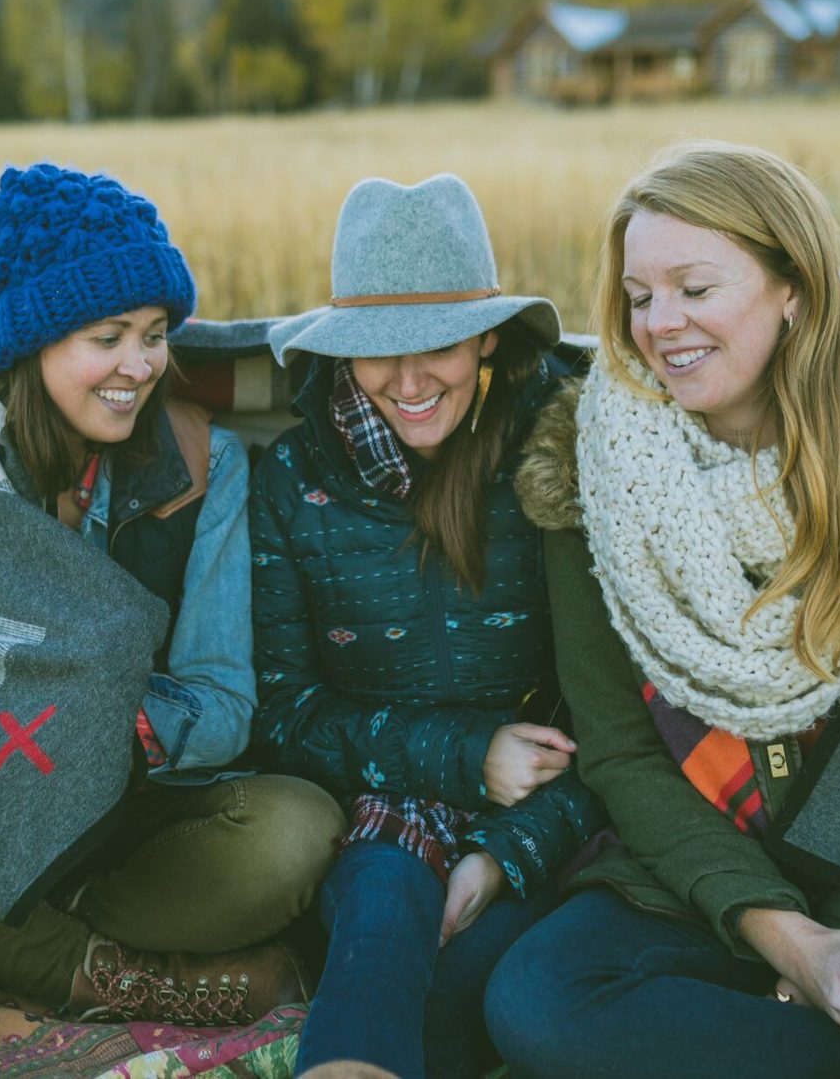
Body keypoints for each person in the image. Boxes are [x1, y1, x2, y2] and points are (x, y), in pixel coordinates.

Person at [0, 163, 344, 1028]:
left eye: (154, 334)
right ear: (32, 344)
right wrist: (1, 752)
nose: (139, 366)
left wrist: (85, 732)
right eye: (106, 336)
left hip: (129, 815)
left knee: (293, 832)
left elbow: (224, 702)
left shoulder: (205, 465)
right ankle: (93, 972)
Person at [486, 140, 840, 1078]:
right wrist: (796, 945)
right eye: (637, 297)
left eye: (695, 289)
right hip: (718, 871)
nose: (659, 324)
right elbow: (624, 752)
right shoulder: (594, 480)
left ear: (793, 287)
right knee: (540, 1001)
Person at [249, 173, 605, 1079]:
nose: (407, 382)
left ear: (487, 334)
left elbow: (619, 715)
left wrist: (505, 850)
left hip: (554, 816)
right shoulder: (295, 479)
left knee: (464, 1008)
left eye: (438, 343)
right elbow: (285, 711)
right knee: (380, 911)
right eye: (374, 351)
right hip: (376, 809)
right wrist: (464, 752)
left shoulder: (565, 449)